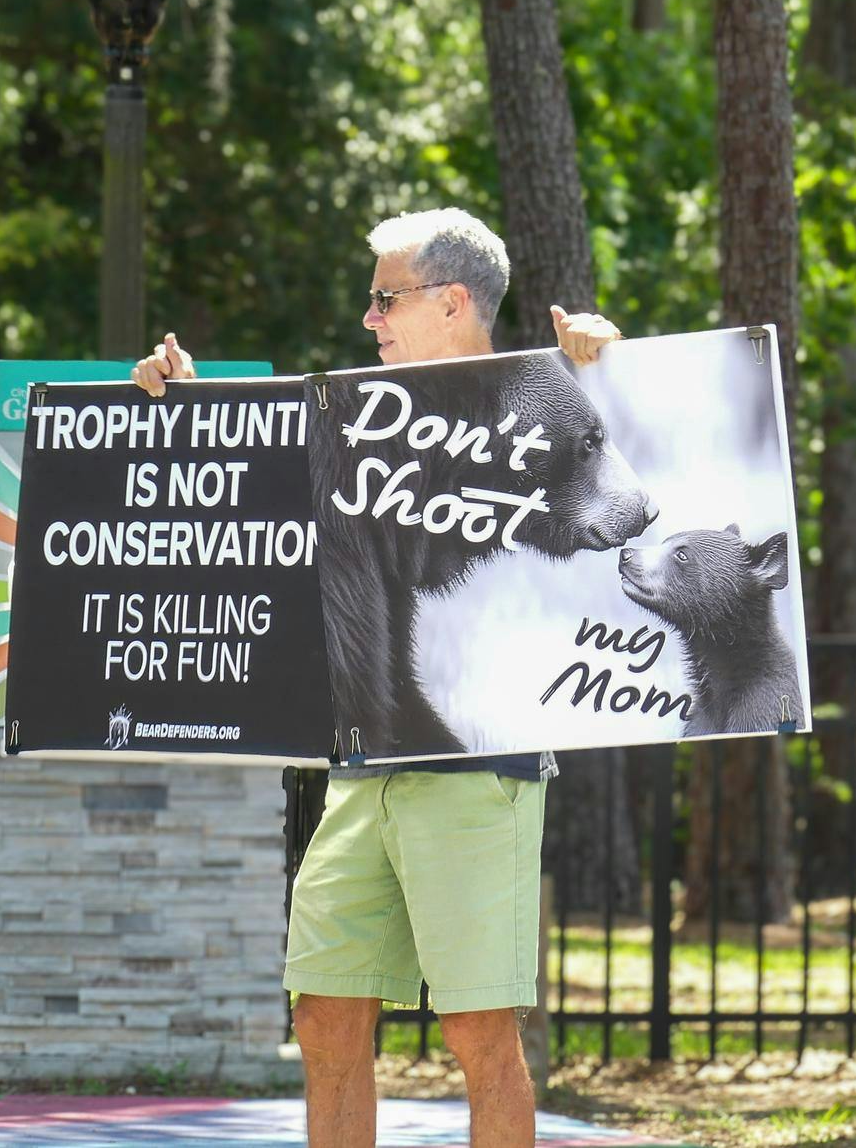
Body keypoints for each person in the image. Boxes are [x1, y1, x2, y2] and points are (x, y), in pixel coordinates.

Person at [130, 208, 621, 1148]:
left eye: (385, 297)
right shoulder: (351, 414)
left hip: (480, 770)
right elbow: (244, 480)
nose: (369, 318)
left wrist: (616, 362)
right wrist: (177, 399)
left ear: (452, 301)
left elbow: (660, 480)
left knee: (479, 1033)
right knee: (324, 1013)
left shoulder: (545, 401)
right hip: (361, 761)